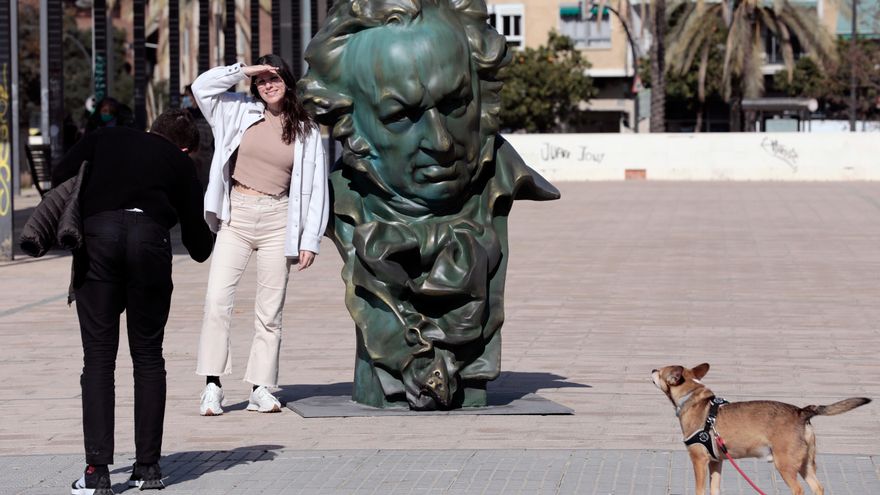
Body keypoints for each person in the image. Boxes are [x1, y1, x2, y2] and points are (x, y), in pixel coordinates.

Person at [52, 109, 214, 494]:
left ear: (150, 129)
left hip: (98, 238)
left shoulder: (107, 138)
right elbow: (198, 246)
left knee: (98, 357)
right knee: (147, 356)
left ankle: (97, 473)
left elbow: (60, 176)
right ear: (187, 147)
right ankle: (148, 468)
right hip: (150, 244)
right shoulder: (178, 161)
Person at [191, 54, 329, 416]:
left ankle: (260, 388)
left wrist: (308, 239)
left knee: (270, 311)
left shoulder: (306, 130)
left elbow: (316, 188)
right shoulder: (237, 110)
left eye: (275, 78)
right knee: (217, 301)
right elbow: (201, 87)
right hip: (237, 214)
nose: (268, 85)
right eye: (262, 80)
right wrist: (244, 71)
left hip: (278, 218)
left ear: (288, 81)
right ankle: (212, 385)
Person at [181, 84, 214, 192]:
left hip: (205, 159)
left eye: (187, 95)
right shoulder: (186, 115)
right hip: (193, 159)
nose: (186, 99)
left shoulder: (208, 114)